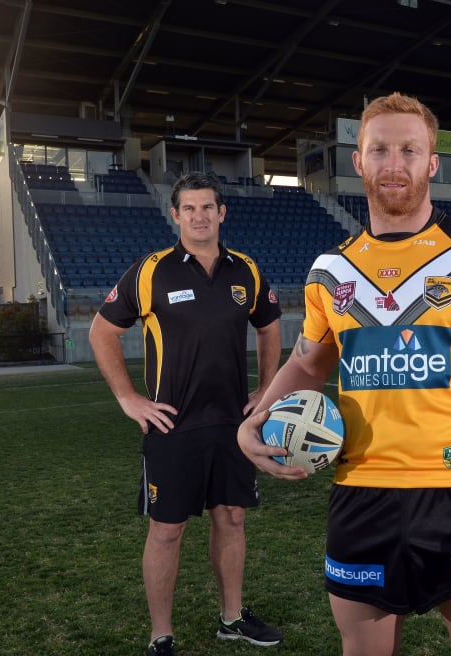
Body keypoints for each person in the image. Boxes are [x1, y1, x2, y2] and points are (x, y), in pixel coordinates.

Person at [236, 92, 451, 656]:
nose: (394, 164)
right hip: (361, 497)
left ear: (432, 162)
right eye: (380, 149)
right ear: (358, 162)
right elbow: (308, 362)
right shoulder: (329, 271)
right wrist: (252, 422)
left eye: (409, 149)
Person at [89, 172, 284, 656]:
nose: (199, 216)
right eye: (189, 209)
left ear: (222, 213)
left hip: (233, 425)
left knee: (233, 518)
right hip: (172, 426)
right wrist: (128, 398)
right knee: (168, 529)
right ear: (175, 215)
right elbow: (101, 332)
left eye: (208, 208)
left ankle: (233, 618)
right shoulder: (150, 271)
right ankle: (161, 635)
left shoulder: (247, 271)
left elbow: (269, 326)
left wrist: (265, 388)